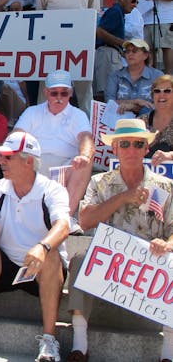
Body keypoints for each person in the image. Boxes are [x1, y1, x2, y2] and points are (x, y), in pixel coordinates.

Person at [0, 132, 69, 362]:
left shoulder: (52, 190)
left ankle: (49, 339)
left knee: (53, 256)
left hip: (41, 267)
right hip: (5, 264)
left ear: (29, 161)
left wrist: (42, 247)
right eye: (1, 156)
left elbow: (63, 225)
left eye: (8, 157)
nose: (1, 161)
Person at [67, 119, 173, 362]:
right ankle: (79, 344)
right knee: (81, 259)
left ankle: (169, 351)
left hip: (148, 268)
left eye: (138, 144)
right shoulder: (99, 182)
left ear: (147, 149)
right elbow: (84, 222)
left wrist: (167, 244)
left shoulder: (166, 186)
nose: (131, 150)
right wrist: (123, 197)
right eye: (124, 144)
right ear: (114, 149)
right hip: (110, 267)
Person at [13, 69, 95, 233]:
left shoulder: (78, 115)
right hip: (34, 164)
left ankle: (64, 218)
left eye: (63, 93)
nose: (58, 98)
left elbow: (86, 138)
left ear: (70, 93)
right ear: (46, 92)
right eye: (54, 93)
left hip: (66, 168)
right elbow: (16, 136)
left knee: (85, 163)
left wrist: (84, 155)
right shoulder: (32, 112)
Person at [37, 0, 100, 116]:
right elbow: (39, 13)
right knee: (48, 86)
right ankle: (42, 125)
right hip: (51, 46)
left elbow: (94, 14)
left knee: (84, 90)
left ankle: (87, 128)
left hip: (80, 45)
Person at [94, 0, 139, 98]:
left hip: (111, 54)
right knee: (106, 92)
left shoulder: (118, 12)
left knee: (112, 92)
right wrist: (122, 42)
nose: (135, 5)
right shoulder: (115, 11)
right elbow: (99, 32)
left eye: (137, 2)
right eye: (133, 1)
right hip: (107, 54)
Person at [106, 38, 163, 116]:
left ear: (145, 55)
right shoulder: (115, 75)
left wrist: (133, 107)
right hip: (120, 117)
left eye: (134, 51)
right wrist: (135, 101)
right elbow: (109, 102)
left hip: (149, 119)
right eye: (127, 51)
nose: (130, 54)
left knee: (146, 110)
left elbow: (163, 103)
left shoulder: (157, 76)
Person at [144, 74, 173, 156]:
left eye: (167, 91)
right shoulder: (141, 122)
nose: (161, 95)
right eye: (157, 91)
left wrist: (170, 156)